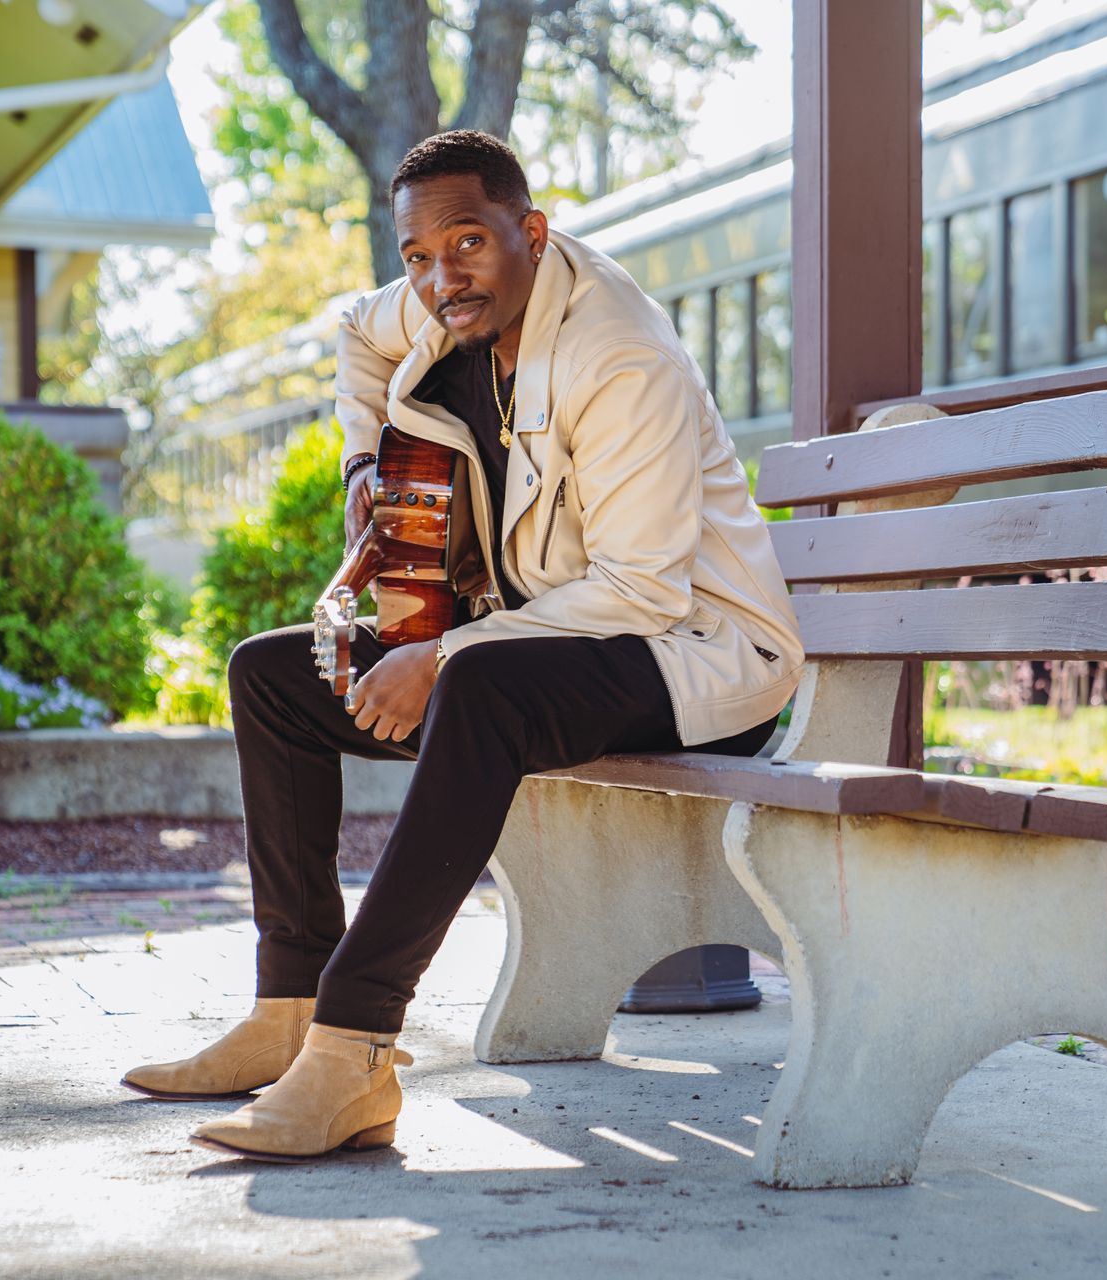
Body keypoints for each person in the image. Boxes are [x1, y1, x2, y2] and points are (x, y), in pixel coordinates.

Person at [120, 130, 805, 1162]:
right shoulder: (445, 297)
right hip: (552, 646)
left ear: (530, 231)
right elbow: (357, 331)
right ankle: (288, 1007)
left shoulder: (620, 356)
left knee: (479, 681)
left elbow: (639, 588)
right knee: (272, 674)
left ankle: (354, 1046)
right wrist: (365, 466)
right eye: (420, 255)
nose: (442, 277)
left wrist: (439, 657)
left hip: (698, 656)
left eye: (470, 243)